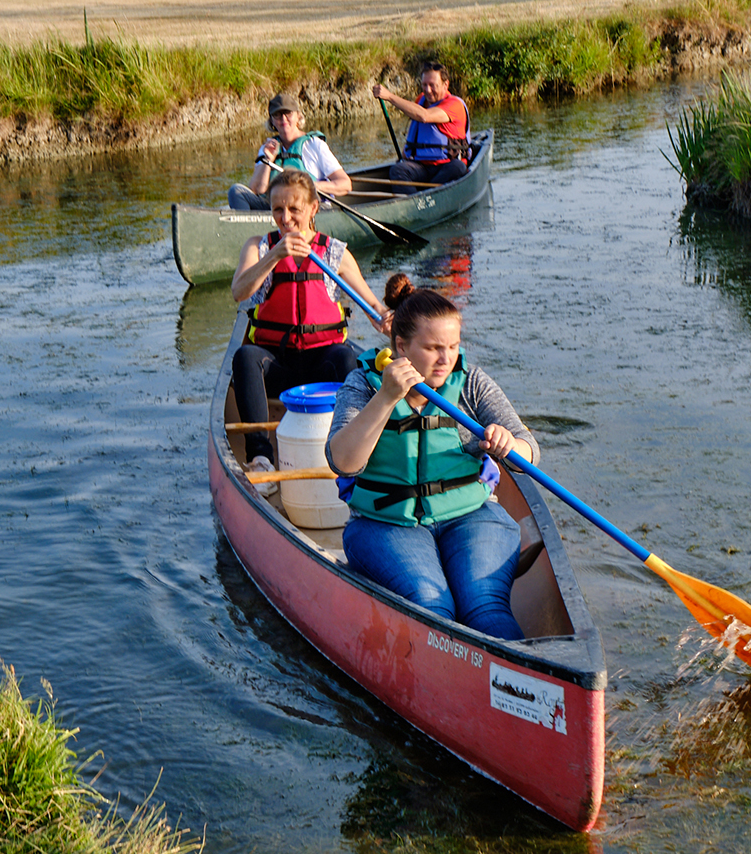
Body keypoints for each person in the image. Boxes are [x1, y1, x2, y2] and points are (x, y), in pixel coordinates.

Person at [326, 277, 537, 640]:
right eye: (433, 347)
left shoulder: (471, 383)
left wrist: (510, 446)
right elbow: (342, 461)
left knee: (483, 604)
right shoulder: (363, 385)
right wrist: (387, 397)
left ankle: (524, 684)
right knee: (431, 605)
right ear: (401, 346)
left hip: (470, 515)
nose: (445, 359)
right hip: (386, 524)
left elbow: (529, 450)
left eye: (453, 346)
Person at [229, 170, 389, 465]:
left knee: (346, 359)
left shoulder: (335, 253)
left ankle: (350, 452)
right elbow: (239, 291)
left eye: (294, 209)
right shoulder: (259, 246)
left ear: (313, 208)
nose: (285, 217)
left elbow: (372, 306)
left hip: (321, 365)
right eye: (277, 209)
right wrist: (274, 256)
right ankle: (260, 456)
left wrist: (386, 318)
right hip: (276, 364)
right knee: (244, 356)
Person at [229, 94, 352, 209]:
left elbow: (345, 184)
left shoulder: (315, 145)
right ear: (271, 121)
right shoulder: (268, 148)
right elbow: (257, 190)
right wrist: (268, 161)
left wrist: (311, 186)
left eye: (288, 113)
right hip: (276, 208)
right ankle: (249, 228)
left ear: (298, 116)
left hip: (307, 207)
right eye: (277, 115)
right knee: (236, 191)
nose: (283, 119)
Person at [371, 62, 469, 194]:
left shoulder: (454, 105)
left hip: (446, 166)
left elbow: (425, 116)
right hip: (422, 167)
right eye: (424, 85)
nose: (428, 90)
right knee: (398, 170)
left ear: (446, 85)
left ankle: (424, 197)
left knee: (458, 167)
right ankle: (411, 204)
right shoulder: (421, 100)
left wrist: (389, 96)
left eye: (432, 85)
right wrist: (405, 154)